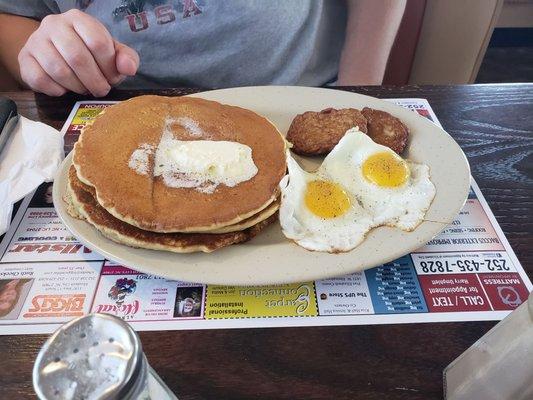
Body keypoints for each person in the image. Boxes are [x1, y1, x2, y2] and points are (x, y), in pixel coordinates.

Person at [0, 1, 406, 97]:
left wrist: (359, 92)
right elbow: (14, 13)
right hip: (111, 105)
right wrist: (45, 54)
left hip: (303, 94)